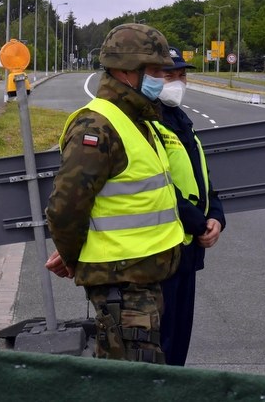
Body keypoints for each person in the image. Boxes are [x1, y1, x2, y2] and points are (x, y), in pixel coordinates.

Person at [44, 23, 185, 364]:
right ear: (125, 71)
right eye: (154, 71)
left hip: (142, 278)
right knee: (133, 379)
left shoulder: (138, 120)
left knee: (136, 374)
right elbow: (66, 208)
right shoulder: (97, 127)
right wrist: (73, 257)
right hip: (122, 282)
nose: (161, 79)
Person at [152, 47, 225, 366]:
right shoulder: (147, 122)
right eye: (169, 75)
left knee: (179, 339)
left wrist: (216, 217)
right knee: (161, 340)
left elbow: (201, 179)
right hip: (161, 250)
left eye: (182, 75)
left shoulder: (182, 121)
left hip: (188, 250)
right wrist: (199, 223)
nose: (178, 82)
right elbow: (157, 186)